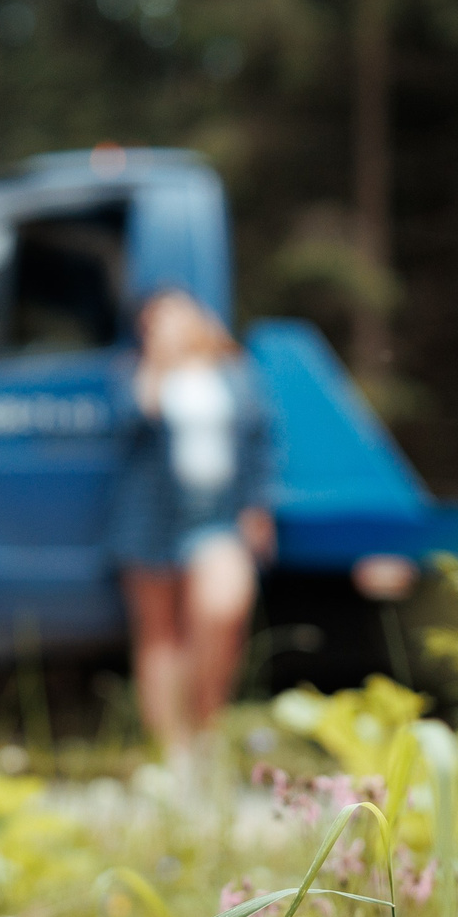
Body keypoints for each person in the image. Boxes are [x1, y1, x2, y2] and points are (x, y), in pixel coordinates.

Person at [109, 288, 275, 789]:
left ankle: (206, 729)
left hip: (217, 517)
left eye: (174, 316)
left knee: (221, 613)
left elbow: (260, 439)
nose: (167, 327)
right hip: (152, 517)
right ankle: (172, 751)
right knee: (160, 635)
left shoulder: (233, 372)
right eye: (154, 323)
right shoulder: (134, 373)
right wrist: (157, 364)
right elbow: (130, 423)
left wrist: (257, 506)